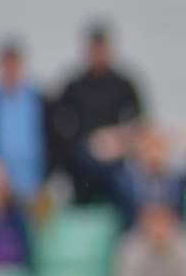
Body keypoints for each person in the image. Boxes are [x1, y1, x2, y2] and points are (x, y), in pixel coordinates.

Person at [52, 23, 144, 205]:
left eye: (102, 49)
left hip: (115, 161)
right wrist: (80, 144)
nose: (99, 54)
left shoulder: (123, 84)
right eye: (95, 49)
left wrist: (117, 142)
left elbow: (138, 122)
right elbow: (58, 123)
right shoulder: (74, 85)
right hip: (81, 162)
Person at [0, 39, 54, 206]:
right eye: (5, 65)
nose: (10, 70)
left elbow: (54, 140)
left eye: (14, 64)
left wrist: (47, 174)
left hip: (35, 187)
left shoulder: (41, 101)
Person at [114, 202, 186, 276]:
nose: (158, 229)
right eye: (153, 222)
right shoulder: (130, 248)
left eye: (163, 222)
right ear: (143, 224)